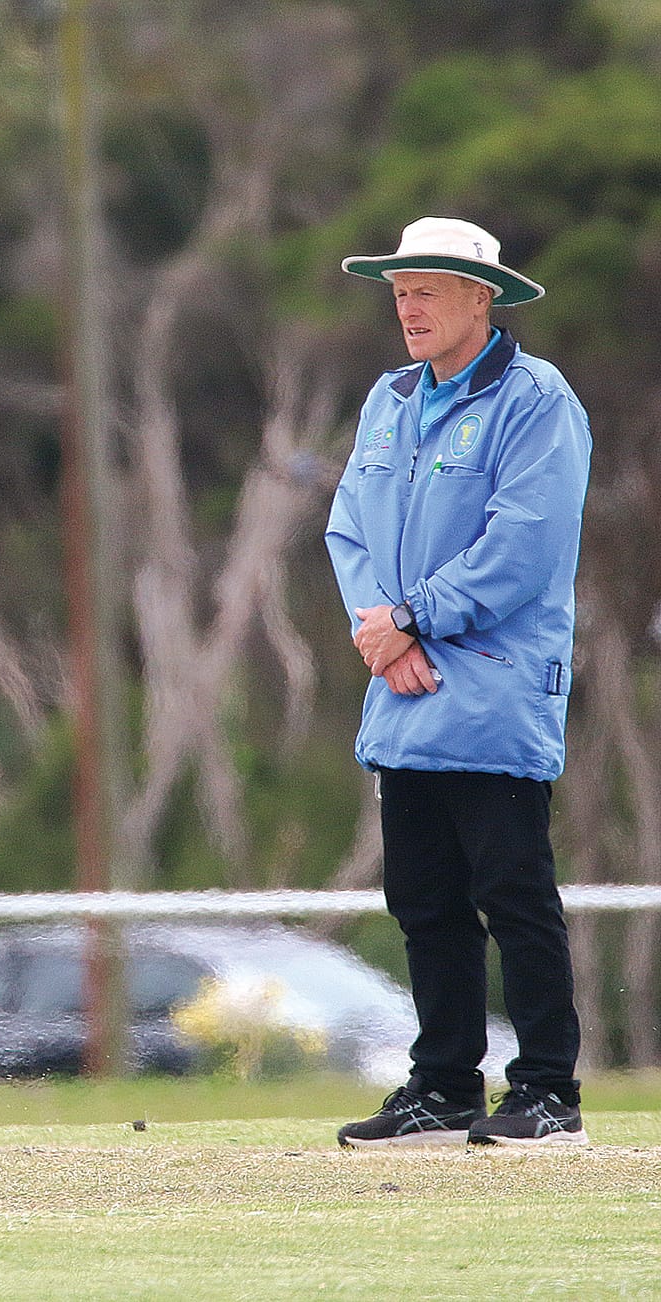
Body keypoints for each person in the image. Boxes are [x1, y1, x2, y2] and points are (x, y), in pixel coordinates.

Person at [325, 216, 592, 1148]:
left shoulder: (537, 399)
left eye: (427, 290)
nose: (408, 307)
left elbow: (525, 544)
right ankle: (442, 1088)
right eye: (400, 291)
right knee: (424, 900)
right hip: (404, 687)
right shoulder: (389, 397)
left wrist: (411, 619)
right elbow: (348, 527)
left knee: (514, 894)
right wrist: (383, 634)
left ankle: (549, 1093)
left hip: (496, 690)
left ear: (483, 297)